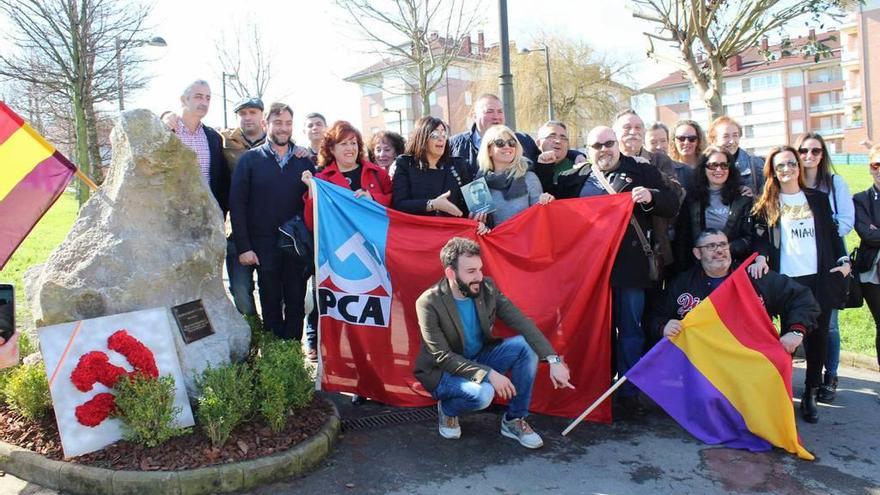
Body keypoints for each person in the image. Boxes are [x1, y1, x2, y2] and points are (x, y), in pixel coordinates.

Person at [556, 126, 679, 413]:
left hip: (630, 267)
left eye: (609, 143)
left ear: (618, 144)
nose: (604, 150)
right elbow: (555, 212)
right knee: (592, 330)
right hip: (588, 270)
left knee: (630, 330)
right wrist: (548, 200)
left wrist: (651, 196)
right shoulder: (574, 178)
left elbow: (671, 204)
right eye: (596, 145)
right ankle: (594, 387)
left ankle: (629, 392)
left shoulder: (641, 170)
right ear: (587, 149)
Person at [414, 237, 574, 448]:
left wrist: (553, 360)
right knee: (484, 394)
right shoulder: (428, 302)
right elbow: (444, 357)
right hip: (444, 372)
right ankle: (448, 409)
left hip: (479, 356)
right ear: (450, 273)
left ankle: (514, 419)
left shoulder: (487, 287)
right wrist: (489, 375)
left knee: (525, 346)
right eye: (471, 271)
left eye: (480, 269)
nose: (479, 277)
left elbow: (521, 322)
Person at [749, 145, 850, 423]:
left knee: (817, 337)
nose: (787, 169)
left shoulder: (817, 199)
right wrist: (760, 257)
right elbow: (759, 239)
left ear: (798, 166)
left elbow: (832, 234)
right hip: (786, 281)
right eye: (780, 166)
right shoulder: (767, 202)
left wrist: (843, 261)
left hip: (820, 277)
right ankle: (782, 390)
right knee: (785, 335)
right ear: (773, 171)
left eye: (791, 163)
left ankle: (810, 392)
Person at [648, 229, 819, 353]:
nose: (719, 250)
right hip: (702, 365)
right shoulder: (682, 284)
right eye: (711, 246)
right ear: (697, 253)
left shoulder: (754, 277)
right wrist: (663, 326)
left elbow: (802, 297)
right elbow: (653, 314)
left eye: (723, 244)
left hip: (749, 358)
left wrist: (796, 331)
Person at [229, 102, 316, 340]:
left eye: (288, 123)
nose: (283, 128)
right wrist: (244, 247)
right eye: (278, 123)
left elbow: (316, 201)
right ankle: (273, 355)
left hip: (296, 247)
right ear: (265, 124)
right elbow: (237, 206)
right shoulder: (249, 161)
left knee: (297, 303)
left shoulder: (304, 162)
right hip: (263, 246)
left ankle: (291, 360)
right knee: (270, 303)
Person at [796, 132, 855, 404]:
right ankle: (812, 378)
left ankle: (829, 376)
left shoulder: (834, 183)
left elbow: (846, 221)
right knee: (804, 321)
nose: (809, 156)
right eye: (804, 150)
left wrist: (821, 229)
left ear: (823, 154)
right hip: (800, 259)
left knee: (828, 324)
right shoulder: (791, 184)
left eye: (815, 151)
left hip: (830, 257)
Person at [219, 97, 267, 318]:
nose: (247, 117)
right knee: (240, 289)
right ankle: (251, 333)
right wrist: (167, 116)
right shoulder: (224, 141)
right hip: (236, 230)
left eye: (252, 112)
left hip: (268, 229)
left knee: (272, 290)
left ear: (262, 115)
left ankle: (272, 338)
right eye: (243, 113)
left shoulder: (276, 143)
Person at [675, 146, 754, 271]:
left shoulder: (742, 198)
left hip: (734, 267)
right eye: (713, 165)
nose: (719, 169)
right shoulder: (692, 199)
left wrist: (722, 249)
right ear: (703, 168)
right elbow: (682, 239)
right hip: (698, 269)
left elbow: (749, 237)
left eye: (724, 165)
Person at [171, 80, 230, 216]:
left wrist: (220, 213)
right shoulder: (168, 132)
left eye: (207, 98)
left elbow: (221, 180)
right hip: (171, 217)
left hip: (206, 218)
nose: (204, 102)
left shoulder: (213, 138)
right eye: (198, 96)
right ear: (184, 100)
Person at [476, 124, 553, 226]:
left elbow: (541, 216)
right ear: (489, 150)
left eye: (511, 143)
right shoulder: (477, 185)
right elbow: (477, 225)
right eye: (500, 143)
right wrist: (479, 223)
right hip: (493, 240)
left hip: (524, 240)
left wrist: (547, 200)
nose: (507, 147)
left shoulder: (529, 178)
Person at [449, 94, 540, 174]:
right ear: (475, 116)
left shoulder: (524, 141)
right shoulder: (454, 145)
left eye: (500, 111)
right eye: (489, 111)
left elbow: (541, 174)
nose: (496, 117)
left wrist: (546, 164)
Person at [853, 144, 880, 371]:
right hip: (873, 274)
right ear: (870, 168)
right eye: (876, 164)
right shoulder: (861, 199)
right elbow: (867, 234)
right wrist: (872, 231)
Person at [708, 116, 764, 194]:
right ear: (714, 140)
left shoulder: (755, 164)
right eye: (726, 136)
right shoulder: (705, 167)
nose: (732, 141)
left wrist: (752, 196)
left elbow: (767, 199)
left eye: (735, 135)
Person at [533, 120, 586, 196]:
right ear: (538, 143)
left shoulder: (579, 167)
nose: (558, 141)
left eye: (563, 138)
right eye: (552, 136)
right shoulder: (529, 168)